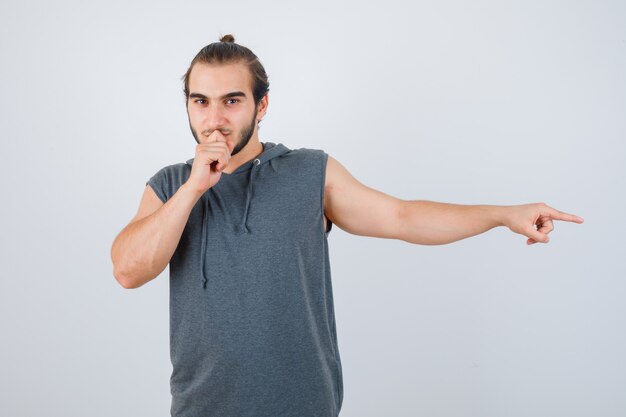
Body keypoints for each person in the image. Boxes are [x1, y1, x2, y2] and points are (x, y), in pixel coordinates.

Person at [110, 34, 584, 417]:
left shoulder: (308, 172)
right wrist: (193, 189)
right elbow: (128, 270)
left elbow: (402, 217)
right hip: (202, 409)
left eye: (232, 101)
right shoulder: (171, 183)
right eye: (201, 102)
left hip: (305, 407)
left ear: (262, 105)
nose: (214, 119)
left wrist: (501, 215)